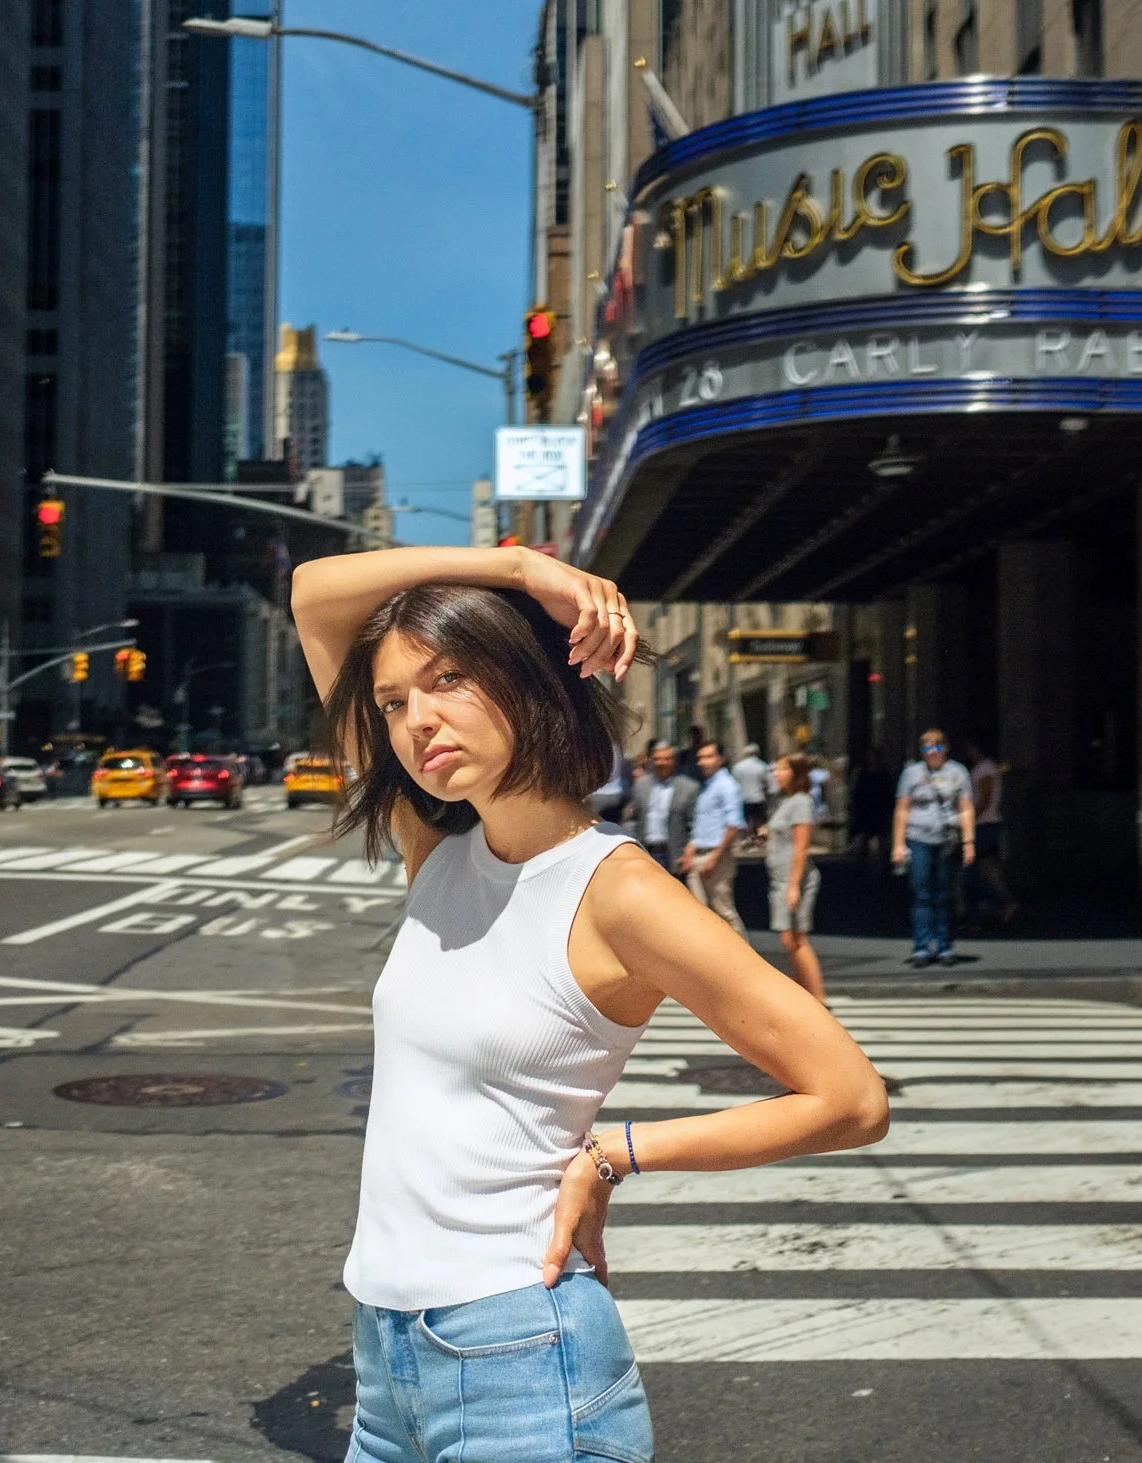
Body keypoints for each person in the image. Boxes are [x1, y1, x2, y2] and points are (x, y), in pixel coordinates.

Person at [291, 544, 890, 1463]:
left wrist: (616, 1153)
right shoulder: (437, 849)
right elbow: (312, 595)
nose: (417, 720)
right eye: (393, 701)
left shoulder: (617, 891)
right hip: (387, 1358)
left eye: (448, 679)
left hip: (521, 1363)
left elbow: (849, 1098)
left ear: (526, 681)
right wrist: (523, 567)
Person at [891, 727, 975, 968]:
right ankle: (922, 947)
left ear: (945, 748)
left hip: (947, 838)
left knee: (944, 894)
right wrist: (898, 844)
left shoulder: (957, 772)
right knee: (922, 894)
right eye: (926, 747)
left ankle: (945, 946)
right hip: (919, 838)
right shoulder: (912, 773)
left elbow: (965, 807)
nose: (932, 751)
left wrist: (969, 841)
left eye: (937, 746)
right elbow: (903, 809)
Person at [763, 752, 824, 1002]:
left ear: (796, 774)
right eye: (776, 770)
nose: (776, 774)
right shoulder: (786, 801)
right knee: (789, 938)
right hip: (781, 878)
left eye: (782, 769)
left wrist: (793, 886)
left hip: (792, 879)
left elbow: (801, 847)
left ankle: (819, 998)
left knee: (797, 938)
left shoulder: (800, 801)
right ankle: (802, 995)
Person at [685, 740, 746, 930]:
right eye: (700, 757)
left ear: (721, 759)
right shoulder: (707, 786)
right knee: (699, 911)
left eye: (708, 757)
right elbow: (704, 821)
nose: (702, 762)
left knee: (724, 911)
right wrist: (691, 846)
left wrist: (715, 856)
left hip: (716, 855)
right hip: (699, 854)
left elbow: (734, 824)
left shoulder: (726, 785)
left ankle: (742, 956)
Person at [961, 738, 1018, 926]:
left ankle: (997, 902)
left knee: (969, 871)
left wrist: (969, 820)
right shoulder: (987, 767)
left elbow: (984, 800)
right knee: (989, 869)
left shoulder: (984, 769)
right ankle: (997, 904)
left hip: (984, 824)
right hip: (989, 824)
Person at [623, 740, 696, 876]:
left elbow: (695, 825)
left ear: (674, 761)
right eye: (657, 759)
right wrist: (632, 848)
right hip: (646, 853)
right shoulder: (641, 785)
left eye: (666, 759)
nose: (661, 763)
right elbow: (631, 819)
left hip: (673, 855)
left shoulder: (688, 787)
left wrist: (688, 854)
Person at [731, 741, 771, 843]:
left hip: (743, 799)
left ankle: (747, 838)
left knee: (746, 821)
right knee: (760, 821)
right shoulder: (763, 766)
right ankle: (759, 840)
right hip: (758, 798)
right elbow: (767, 783)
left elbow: (734, 783)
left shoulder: (738, 766)